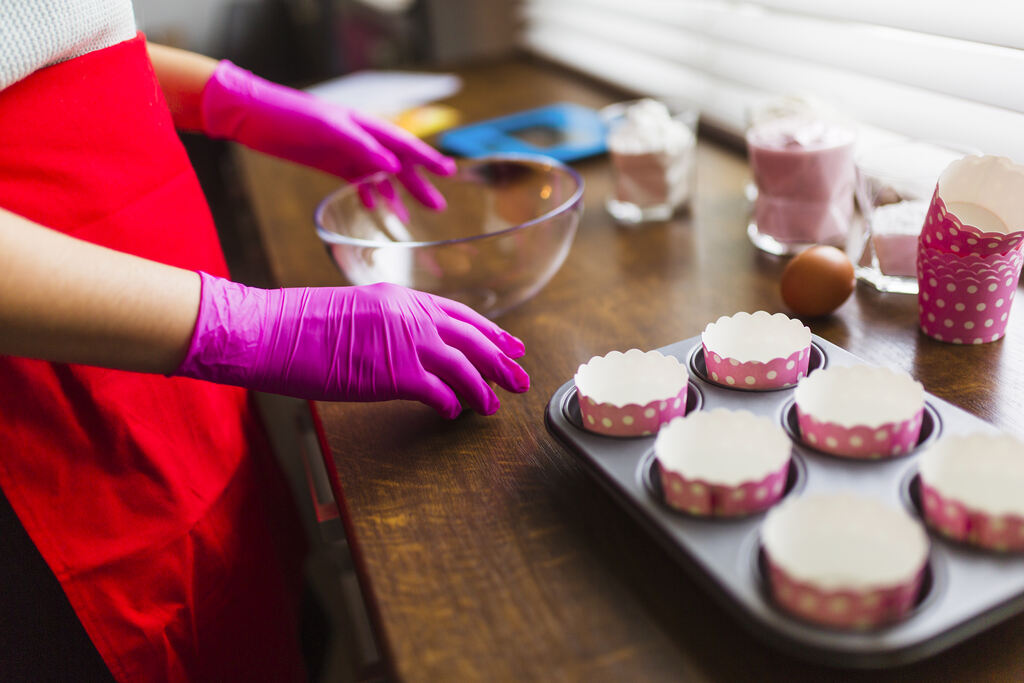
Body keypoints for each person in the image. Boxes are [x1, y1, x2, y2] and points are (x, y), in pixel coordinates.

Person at [0, 2, 529, 681]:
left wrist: (238, 100)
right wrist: (250, 325)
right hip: (44, 405)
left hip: (167, 335)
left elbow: (49, 45)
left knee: (251, 598)